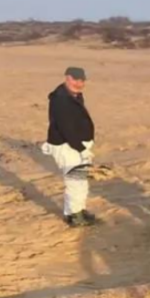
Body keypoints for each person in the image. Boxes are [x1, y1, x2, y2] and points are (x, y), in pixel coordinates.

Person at [43, 67, 96, 227]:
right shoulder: (61, 99)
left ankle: (77, 210)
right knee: (75, 182)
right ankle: (74, 215)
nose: (80, 83)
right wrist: (82, 149)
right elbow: (66, 128)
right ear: (68, 78)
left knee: (80, 181)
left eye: (82, 80)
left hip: (75, 145)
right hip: (67, 146)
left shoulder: (74, 95)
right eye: (76, 79)